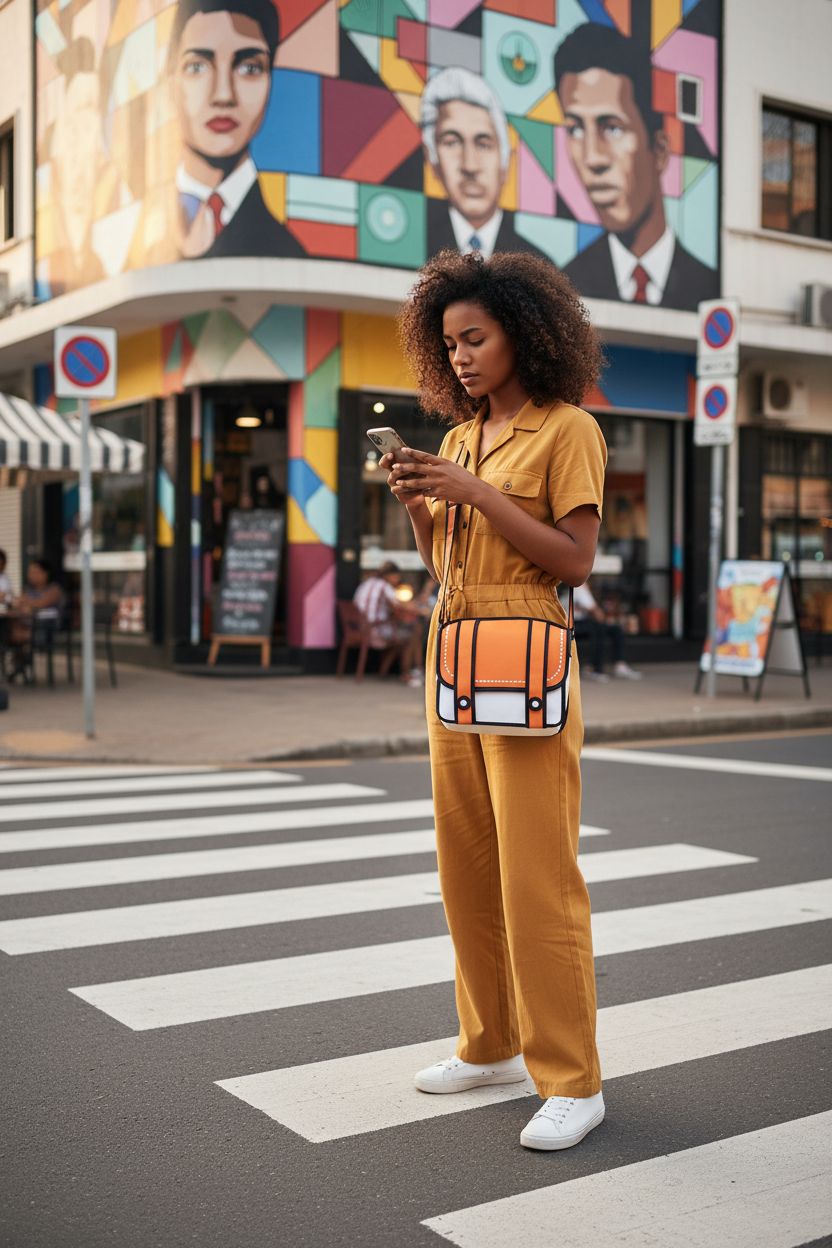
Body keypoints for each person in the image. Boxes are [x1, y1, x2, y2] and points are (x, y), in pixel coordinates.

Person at [382, 249, 607, 1150]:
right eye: (449, 344)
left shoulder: (568, 430)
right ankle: (491, 1045)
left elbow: (574, 562)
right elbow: (446, 564)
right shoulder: (460, 438)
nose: (462, 356)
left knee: (536, 877)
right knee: (466, 867)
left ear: (522, 331)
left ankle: (573, 1079)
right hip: (456, 647)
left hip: (527, 650)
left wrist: (475, 493)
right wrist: (420, 504)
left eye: (475, 337)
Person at [554, 24, 715, 310]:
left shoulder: (708, 288)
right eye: (575, 129)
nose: (593, 158)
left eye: (612, 128)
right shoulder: (564, 287)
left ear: (660, 150)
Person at [170, 0, 305, 259]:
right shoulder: (132, 239)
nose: (224, 95)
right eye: (197, 66)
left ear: (270, 82)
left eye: (249, 68)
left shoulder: (287, 250)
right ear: (169, 83)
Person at [421, 67, 549, 262]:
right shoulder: (414, 247)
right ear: (432, 159)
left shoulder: (539, 265)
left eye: (483, 144)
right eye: (452, 142)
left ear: (505, 161)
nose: (470, 166)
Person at [353, 562, 423, 686]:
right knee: (413, 634)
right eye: (396, 577)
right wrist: (421, 610)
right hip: (376, 630)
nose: (397, 580)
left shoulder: (365, 584)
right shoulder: (385, 586)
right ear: (389, 575)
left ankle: (395, 671)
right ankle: (410, 673)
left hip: (360, 629)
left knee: (408, 631)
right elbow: (399, 606)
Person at [7, 558, 66, 683]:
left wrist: (27, 603)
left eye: (35, 572)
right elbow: (18, 604)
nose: (31, 575)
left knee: (21, 639)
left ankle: (20, 667)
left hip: (47, 629)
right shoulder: (29, 589)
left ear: (46, 573)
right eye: (30, 572)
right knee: (14, 630)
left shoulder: (54, 589)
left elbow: (41, 603)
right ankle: (21, 666)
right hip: (29, 627)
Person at [573, 580, 641, 681]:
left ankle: (620, 665)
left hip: (586, 622)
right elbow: (597, 613)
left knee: (616, 630)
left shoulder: (586, 588)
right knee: (599, 629)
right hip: (574, 624)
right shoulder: (578, 586)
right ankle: (596, 669)